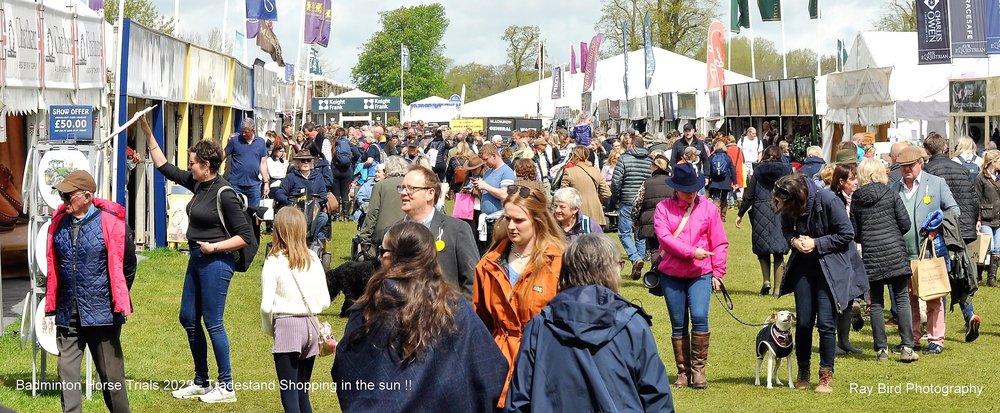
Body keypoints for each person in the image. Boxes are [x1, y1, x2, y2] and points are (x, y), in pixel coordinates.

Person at [333, 222, 508, 411]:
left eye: (383, 250)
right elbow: (492, 371)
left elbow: (346, 367)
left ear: (392, 256)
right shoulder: (457, 307)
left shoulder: (371, 307)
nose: (379, 256)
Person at [143, 116, 254, 403]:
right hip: (197, 257)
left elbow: (244, 236)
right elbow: (164, 167)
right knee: (188, 318)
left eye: (192, 162)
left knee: (213, 322)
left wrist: (214, 248)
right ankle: (202, 381)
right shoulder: (199, 184)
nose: (188, 166)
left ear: (206, 166)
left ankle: (226, 386)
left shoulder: (224, 193)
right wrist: (146, 130)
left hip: (217, 262)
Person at [506, 234, 674, 412]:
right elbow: (657, 399)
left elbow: (518, 400)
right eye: (620, 264)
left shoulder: (539, 326)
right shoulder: (632, 325)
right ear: (609, 270)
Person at [46, 170, 135, 413]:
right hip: (68, 313)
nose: (63, 201)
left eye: (68, 196)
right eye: (62, 196)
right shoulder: (58, 223)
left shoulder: (112, 224)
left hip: (102, 314)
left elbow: (128, 266)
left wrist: (115, 298)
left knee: (112, 380)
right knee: (67, 377)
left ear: (86, 197)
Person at [772, 173, 869, 393]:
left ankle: (826, 375)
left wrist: (816, 243)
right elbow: (786, 230)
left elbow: (847, 234)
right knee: (804, 322)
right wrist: (794, 241)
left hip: (831, 269)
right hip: (803, 269)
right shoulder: (789, 202)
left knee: (826, 323)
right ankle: (803, 370)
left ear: (800, 196)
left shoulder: (829, 200)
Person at [473, 184, 567, 407]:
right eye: (508, 219)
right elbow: (480, 322)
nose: (512, 226)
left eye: (519, 220)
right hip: (499, 366)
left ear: (538, 220)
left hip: (547, 364)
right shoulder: (488, 264)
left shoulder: (560, 261)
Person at [652, 163, 728, 389]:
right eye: (687, 191)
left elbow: (720, 241)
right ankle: (683, 372)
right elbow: (665, 238)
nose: (692, 194)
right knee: (678, 323)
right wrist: (691, 252)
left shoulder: (708, 208)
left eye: (694, 189)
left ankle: (699, 370)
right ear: (675, 189)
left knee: (700, 316)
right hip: (671, 273)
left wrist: (719, 271)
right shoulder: (662, 208)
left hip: (701, 272)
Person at [260, 208, 331, 413]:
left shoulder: (273, 261)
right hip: (311, 326)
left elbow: (266, 305)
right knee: (302, 391)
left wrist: (270, 329)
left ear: (278, 230)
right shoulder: (313, 258)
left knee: (289, 394)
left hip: (287, 326)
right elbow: (325, 300)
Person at [851, 159, 919, 363]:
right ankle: (907, 346)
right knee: (901, 299)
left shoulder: (857, 198)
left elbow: (856, 234)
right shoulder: (890, 193)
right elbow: (905, 223)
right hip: (895, 252)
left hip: (872, 255)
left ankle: (881, 350)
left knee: (877, 303)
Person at [922, 132, 982, 342]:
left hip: (940, 231)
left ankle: (938, 328)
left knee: (938, 278)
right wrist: (972, 223)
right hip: (962, 231)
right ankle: (969, 314)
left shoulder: (928, 171)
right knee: (960, 275)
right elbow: (974, 200)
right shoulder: (962, 169)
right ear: (945, 149)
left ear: (927, 151)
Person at [397, 165, 480, 298]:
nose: (403, 193)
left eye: (411, 188)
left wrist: (460, 315)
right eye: (402, 188)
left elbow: (473, 281)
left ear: (430, 193)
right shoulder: (394, 233)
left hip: (446, 313)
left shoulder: (457, 230)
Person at [736, 146, 793, 296]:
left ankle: (766, 281)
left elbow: (749, 194)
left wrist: (740, 213)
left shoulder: (758, 171)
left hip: (761, 209)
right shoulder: (787, 171)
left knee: (762, 250)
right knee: (779, 251)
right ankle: (777, 289)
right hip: (781, 210)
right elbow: (793, 192)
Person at [829, 156, 864, 355]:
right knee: (836, 299)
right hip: (837, 254)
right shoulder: (834, 199)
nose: (856, 182)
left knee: (850, 297)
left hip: (852, 251)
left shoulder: (854, 199)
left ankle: (844, 340)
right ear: (841, 181)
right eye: (852, 179)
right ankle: (832, 341)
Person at [273, 151, 336, 248]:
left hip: (313, 210)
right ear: (298, 163)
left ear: (311, 162)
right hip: (295, 210)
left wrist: (319, 201)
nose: (305, 163)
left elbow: (323, 194)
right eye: (303, 160)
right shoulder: (291, 177)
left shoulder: (318, 177)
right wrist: (289, 200)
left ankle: (310, 241)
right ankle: (294, 241)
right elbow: (279, 193)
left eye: (308, 160)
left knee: (323, 218)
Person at [612, 135, 653, 279]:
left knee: (624, 233)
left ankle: (636, 259)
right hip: (644, 201)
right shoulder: (650, 160)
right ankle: (638, 262)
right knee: (640, 234)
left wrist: (616, 199)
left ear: (633, 146)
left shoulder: (624, 159)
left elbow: (616, 182)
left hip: (628, 200)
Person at [632, 155, 675, 281]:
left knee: (655, 249)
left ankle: (656, 275)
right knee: (670, 248)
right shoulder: (673, 183)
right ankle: (669, 274)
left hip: (651, 221)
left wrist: (635, 219)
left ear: (656, 166)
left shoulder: (646, 183)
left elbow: (636, 203)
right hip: (670, 220)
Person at [356, 156, 409, 258]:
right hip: (407, 233)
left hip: (382, 236)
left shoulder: (380, 185)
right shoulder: (410, 185)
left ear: (387, 169)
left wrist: (365, 237)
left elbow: (372, 213)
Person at [473, 143, 516, 255]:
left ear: (494, 155)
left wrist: (485, 186)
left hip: (498, 220)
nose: (485, 162)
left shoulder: (507, 172)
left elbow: (505, 195)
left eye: (486, 159)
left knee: (496, 253)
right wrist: (478, 188)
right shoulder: (488, 172)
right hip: (487, 220)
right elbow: (488, 192)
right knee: (484, 253)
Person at [224, 118, 269, 208]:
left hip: (254, 185)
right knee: (235, 211)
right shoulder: (234, 141)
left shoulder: (261, 142)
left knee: (254, 212)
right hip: (236, 184)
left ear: (253, 130)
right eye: (242, 131)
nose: (244, 134)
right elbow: (223, 155)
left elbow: (263, 164)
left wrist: (266, 182)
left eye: (246, 132)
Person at [560, 146, 610, 227]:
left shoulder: (569, 172)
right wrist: (596, 198)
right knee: (597, 239)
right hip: (596, 212)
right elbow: (607, 193)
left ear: (575, 156)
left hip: (578, 213)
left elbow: (563, 194)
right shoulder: (596, 171)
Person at [976, 149, 1000, 287]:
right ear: (994, 162)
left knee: (997, 248)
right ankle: (979, 276)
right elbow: (977, 200)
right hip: (986, 218)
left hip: (998, 218)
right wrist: (978, 219)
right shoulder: (981, 178)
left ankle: (992, 278)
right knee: (986, 248)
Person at [707, 140, 736, 222]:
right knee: (724, 198)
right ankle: (722, 216)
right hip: (725, 180)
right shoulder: (727, 157)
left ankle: (716, 215)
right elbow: (732, 170)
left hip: (715, 181)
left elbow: (708, 169)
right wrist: (735, 182)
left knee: (716, 197)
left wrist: (707, 179)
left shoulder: (711, 157)